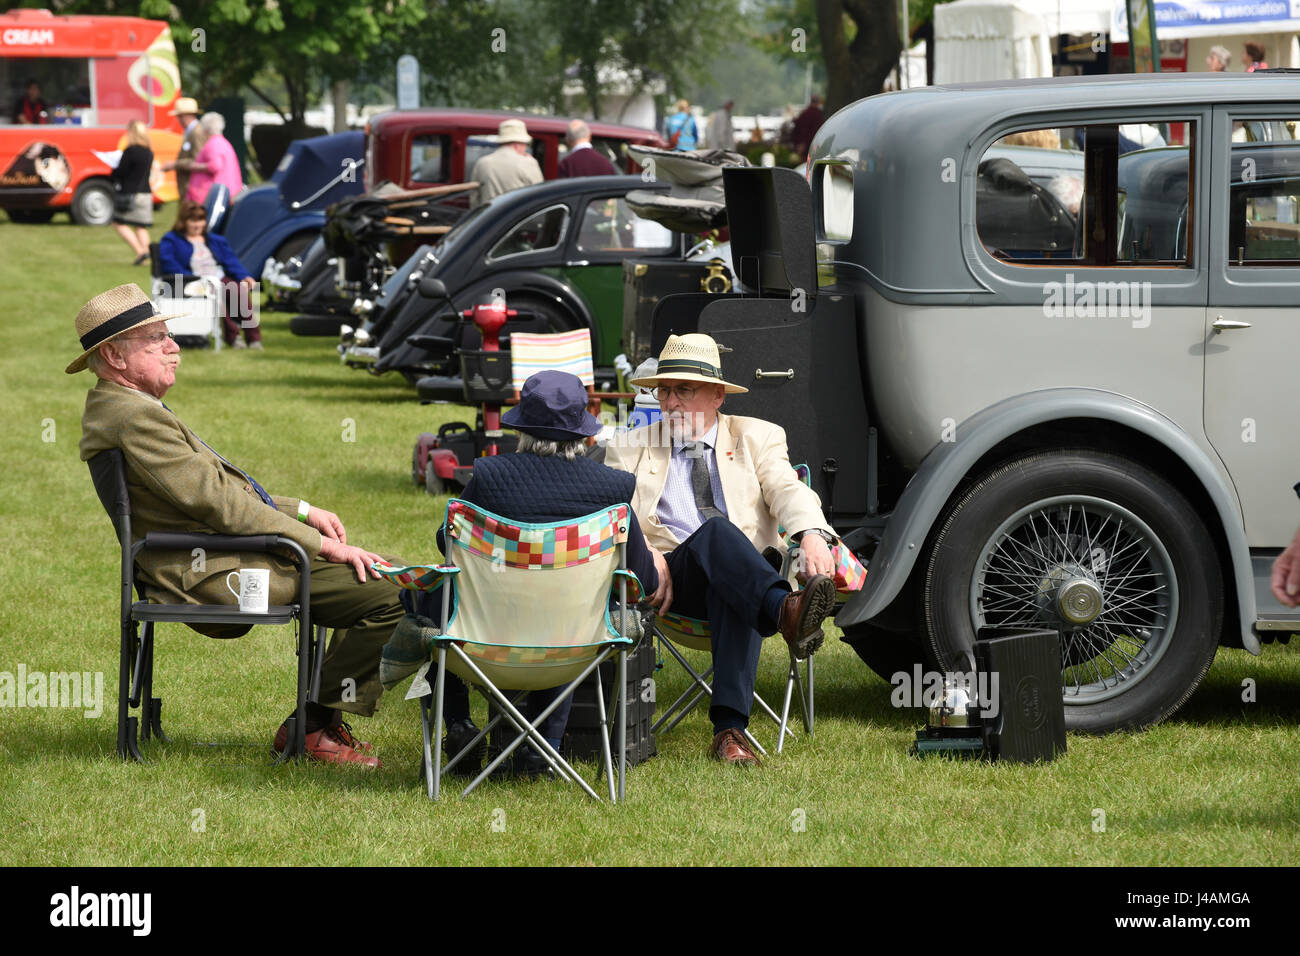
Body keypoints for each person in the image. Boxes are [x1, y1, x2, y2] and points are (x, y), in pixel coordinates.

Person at [70, 284, 411, 768]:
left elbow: (222, 492)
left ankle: (321, 721)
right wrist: (320, 545)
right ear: (114, 355)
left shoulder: (125, 407)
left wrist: (301, 510)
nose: (175, 348)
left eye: (170, 335)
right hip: (205, 573)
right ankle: (312, 727)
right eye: (157, 339)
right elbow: (222, 507)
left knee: (393, 576)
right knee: (398, 592)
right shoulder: (132, 417)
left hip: (214, 554)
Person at [389, 370, 661, 777]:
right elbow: (645, 580)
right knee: (563, 604)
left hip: (477, 643)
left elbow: (446, 542)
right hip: (578, 647)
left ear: (522, 430)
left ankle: (460, 722)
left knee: (429, 599)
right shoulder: (613, 489)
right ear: (583, 433)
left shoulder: (490, 477)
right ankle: (542, 750)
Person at [602, 333, 839, 767]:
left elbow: (787, 489)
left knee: (729, 565)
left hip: (739, 580)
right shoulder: (630, 445)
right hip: (669, 581)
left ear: (716, 395)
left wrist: (810, 534)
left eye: (683, 391)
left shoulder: (757, 436)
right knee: (716, 534)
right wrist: (645, 553)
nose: (670, 402)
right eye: (664, 390)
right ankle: (785, 611)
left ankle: (730, 733)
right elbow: (611, 512)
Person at [158, 200, 262, 349]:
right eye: (193, 220)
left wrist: (244, 276)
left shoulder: (215, 240)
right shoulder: (171, 240)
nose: (197, 225)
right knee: (215, 295)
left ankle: (254, 338)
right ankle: (233, 337)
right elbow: (168, 263)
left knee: (239, 291)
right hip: (191, 281)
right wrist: (196, 279)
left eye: (200, 220)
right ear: (184, 221)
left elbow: (230, 260)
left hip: (217, 277)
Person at [110, 120, 155, 266]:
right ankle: (148, 253)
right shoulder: (149, 152)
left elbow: (121, 172)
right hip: (145, 193)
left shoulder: (131, 151)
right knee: (141, 226)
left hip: (130, 193)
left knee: (118, 223)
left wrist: (113, 171)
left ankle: (140, 251)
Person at [469, 118, 543, 207]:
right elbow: (539, 196)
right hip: (519, 218)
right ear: (518, 144)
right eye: (525, 144)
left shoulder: (482, 162)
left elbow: (474, 198)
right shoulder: (528, 162)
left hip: (490, 217)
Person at [185, 112, 242, 203]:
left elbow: (215, 165)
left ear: (206, 129)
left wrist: (194, 166)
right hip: (225, 192)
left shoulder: (213, 144)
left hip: (213, 196)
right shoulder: (223, 142)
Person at [161, 97, 203, 201]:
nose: (178, 120)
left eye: (178, 116)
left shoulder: (196, 132)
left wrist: (174, 164)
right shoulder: (190, 132)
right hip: (189, 189)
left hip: (194, 189)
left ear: (184, 116)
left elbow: (198, 161)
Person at [790, 94, 825, 161]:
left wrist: (799, 143)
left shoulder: (805, 113)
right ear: (818, 102)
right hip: (812, 146)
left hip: (805, 145)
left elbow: (798, 128)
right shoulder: (817, 114)